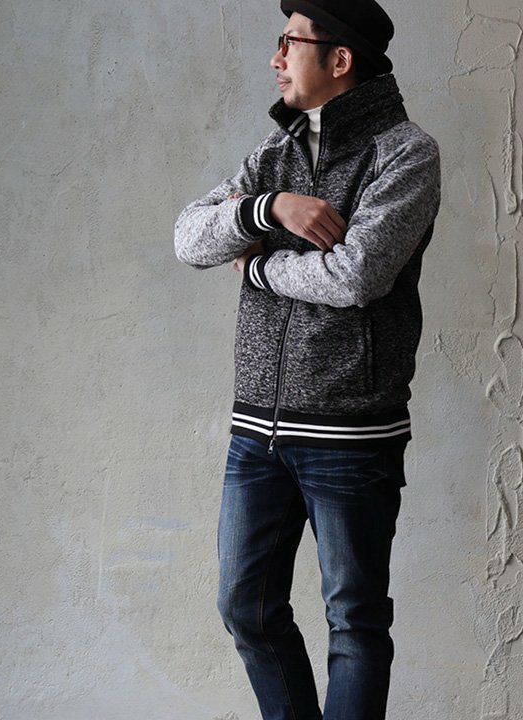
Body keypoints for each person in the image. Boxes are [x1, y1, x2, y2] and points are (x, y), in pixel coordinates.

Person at [173, 1, 442, 719]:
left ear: (339, 59)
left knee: (354, 621)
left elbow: (356, 275)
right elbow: (189, 239)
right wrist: (269, 210)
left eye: (288, 42)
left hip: (350, 432)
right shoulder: (274, 154)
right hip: (255, 432)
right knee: (245, 607)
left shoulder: (405, 154)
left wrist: (260, 268)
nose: (276, 58)